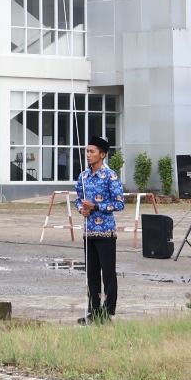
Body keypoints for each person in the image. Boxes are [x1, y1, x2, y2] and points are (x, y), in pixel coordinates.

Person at [75, 136, 125, 324]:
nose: (88, 155)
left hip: (105, 232)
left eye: (92, 152)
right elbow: (78, 199)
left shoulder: (110, 176)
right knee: (91, 274)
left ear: (102, 155)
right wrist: (81, 208)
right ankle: (93, 311)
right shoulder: (83, 176)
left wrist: (96, 207)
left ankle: (108, 312)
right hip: (88, 231)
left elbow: (119, 204)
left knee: (108, 274)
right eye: (87, 151)